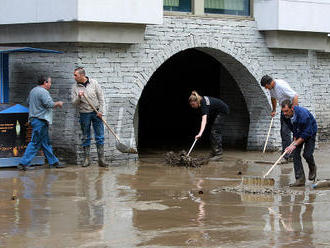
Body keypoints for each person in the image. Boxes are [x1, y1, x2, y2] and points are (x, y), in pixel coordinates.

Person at [18, 76, 64, 171]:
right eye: (49, 82)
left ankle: (54, 162)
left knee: (45, 142)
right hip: (40, 120)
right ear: (45, 82)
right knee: (35, 143)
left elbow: (28, 102)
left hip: (35, 119)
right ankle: (23, 163)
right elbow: (49, 104)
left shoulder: (33, 90)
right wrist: (58, 103)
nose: (50, 84)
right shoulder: (43, 92)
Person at [71, 67, 108, 167]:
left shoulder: (94, 83)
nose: (74, 77)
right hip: (84, 114)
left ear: (82, 75)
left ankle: (101, 159)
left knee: (99, 136)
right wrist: (79, 97)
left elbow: (101, 98)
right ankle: (86, 159)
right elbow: (73, 103)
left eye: (75, 75)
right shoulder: (75, 87)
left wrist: (101, 111)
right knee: (86, 136)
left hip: (96, 113)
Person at [260, 75, 299, 162]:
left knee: (294, 131)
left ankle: (292, 154)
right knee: (284, 132)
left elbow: (295, 96)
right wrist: (274, 110)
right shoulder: (272, 89)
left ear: (270, 83)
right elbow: (273, 98)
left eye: (266, 87)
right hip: (284, 109)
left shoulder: (281, 86)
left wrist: (295, 110)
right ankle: (286, 154)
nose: (267, 89)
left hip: (291, 109)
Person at [281, 100, 317, 187]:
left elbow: (307, 132)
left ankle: (312, 168)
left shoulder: (303, 115)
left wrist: (295, 144)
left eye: (286, 111)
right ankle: (300, 179)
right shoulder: (284, 116)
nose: (285, 113)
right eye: (283, 111)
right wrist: (294, 141)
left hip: (310, 131)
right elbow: (292, 127)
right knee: (295, 154)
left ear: (292, 108)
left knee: (307, 154)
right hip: (298, 131)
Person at [188, 91, 230, 161]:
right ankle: (214, 152)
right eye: (191, 105)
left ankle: (218, 155)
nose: (192, 106)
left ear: (196, 101)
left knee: (215, 132)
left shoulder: (203, 104)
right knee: (213, 132)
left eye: (193, 104)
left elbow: (204, 120)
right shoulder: (202, 101)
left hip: (223, 111)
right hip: (217, 112)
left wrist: (200, 133)